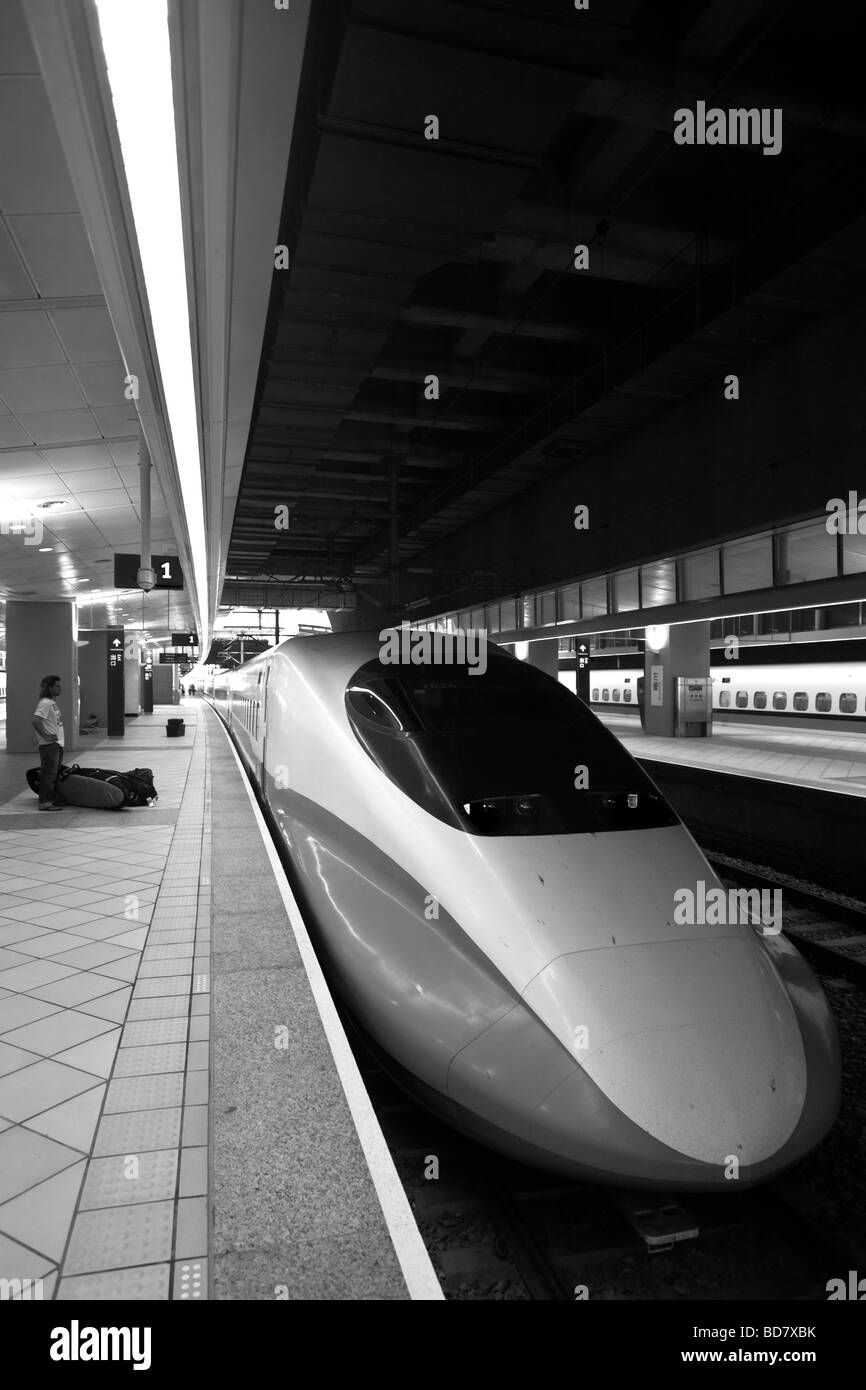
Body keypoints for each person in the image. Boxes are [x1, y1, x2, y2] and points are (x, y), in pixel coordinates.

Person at [32, 675, 65, 811]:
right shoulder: (45, 703)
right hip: (49, 745)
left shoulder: (51, 703)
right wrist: (45, 736)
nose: (60, 688)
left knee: (53, 772)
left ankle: (51, 799)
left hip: (56, 744)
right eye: (57, 686)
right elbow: (35, 720)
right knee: (48, 773)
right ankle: (44, 802)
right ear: (49, 688)